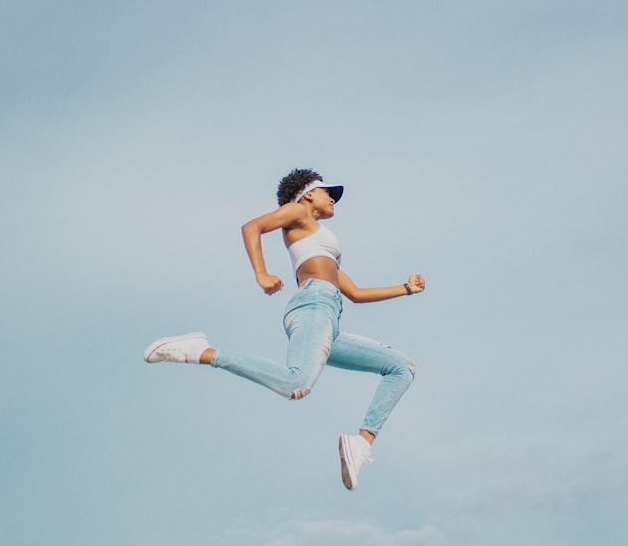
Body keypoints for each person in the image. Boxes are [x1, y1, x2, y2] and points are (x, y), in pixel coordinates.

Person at [143, 168, 424, 490]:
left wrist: (405, 288)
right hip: (314, 305)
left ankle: (361, 443)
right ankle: (198, 351)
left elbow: (356, 294)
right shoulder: (297, 211)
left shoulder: (321, 244)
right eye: (326, 191)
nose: (333, 198)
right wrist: (261, 274)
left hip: (329, 314)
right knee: (296, 383)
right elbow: (252, 227)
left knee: (401, 368)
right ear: (307, 195)